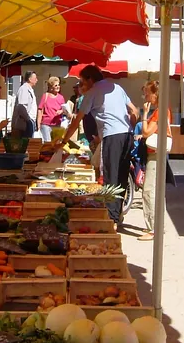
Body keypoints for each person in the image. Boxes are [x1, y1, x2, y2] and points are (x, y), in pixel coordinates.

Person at [58, 65, 139, 226]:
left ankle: (111, 220)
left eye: (82, 81)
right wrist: (130, 127)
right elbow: (134, 111)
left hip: (112, 136)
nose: (82, 85)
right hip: (127, 135)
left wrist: (64, 140)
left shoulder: (92, 92)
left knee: (110, 177)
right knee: (121, 177)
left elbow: (77, 120)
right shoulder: (117, 87)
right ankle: (117, 215)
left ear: (90, 79)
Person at [138, 80, 172, 241]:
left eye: (147, 93)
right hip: (158, 153)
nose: (145, 96)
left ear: (155, 94)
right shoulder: (164, 110)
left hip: (155, 155)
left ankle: (153, 228)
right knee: (157, 192)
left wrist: (145, 114)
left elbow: (146, 132)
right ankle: (158, 226)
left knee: (149, 191)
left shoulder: (159, 111)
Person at [37, 76, 66, 142]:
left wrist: (61, 111)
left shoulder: (61, 98)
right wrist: (38, 123)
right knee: (48, 143)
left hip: (57, 125)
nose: (58, 87)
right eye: (56, 85)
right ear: (50, 87)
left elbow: (64, 109)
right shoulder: (45, 96)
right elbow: (40, 109)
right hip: (46, 124)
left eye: (58, 85)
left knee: (56, 144)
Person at [11, 71, 38, 138]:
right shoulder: (24, 89)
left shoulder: (29, 89)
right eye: (35, 78)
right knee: (26, 143)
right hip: (25, 123)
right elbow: (21, 106)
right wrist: (28, 120)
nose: (37, 80)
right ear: (30, 79)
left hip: (29, 121)